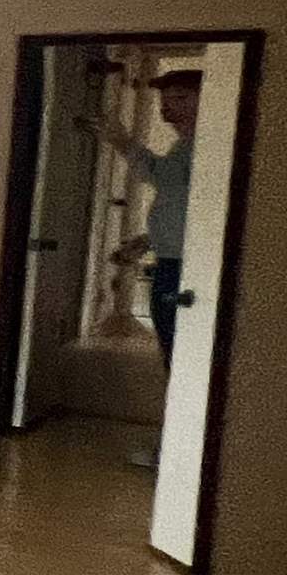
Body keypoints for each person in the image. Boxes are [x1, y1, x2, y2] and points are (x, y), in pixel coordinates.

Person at [83, 68, 201, 364]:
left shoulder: (204, 146)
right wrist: (150, 240)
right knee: (172, 347)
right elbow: (184, 204)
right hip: (171, 263)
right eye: (165, 99)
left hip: (183, 270)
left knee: (179, 353)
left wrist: (121, 140)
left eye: (181, 98)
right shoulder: (184, 146)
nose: (167, 106)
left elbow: (161, 178)